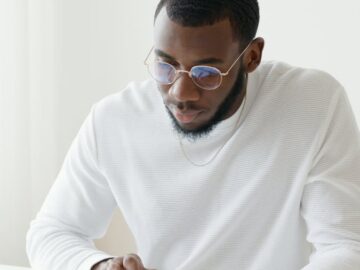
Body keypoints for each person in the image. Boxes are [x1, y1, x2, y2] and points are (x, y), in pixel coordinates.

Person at [26, 0, 360, 269]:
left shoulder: (312, 102)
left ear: (252, 57)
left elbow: (345, 246)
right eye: (165, 66)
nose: (181, 92)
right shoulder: (114, 119)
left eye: (206, 72)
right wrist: (99, 265)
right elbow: (50, 233)